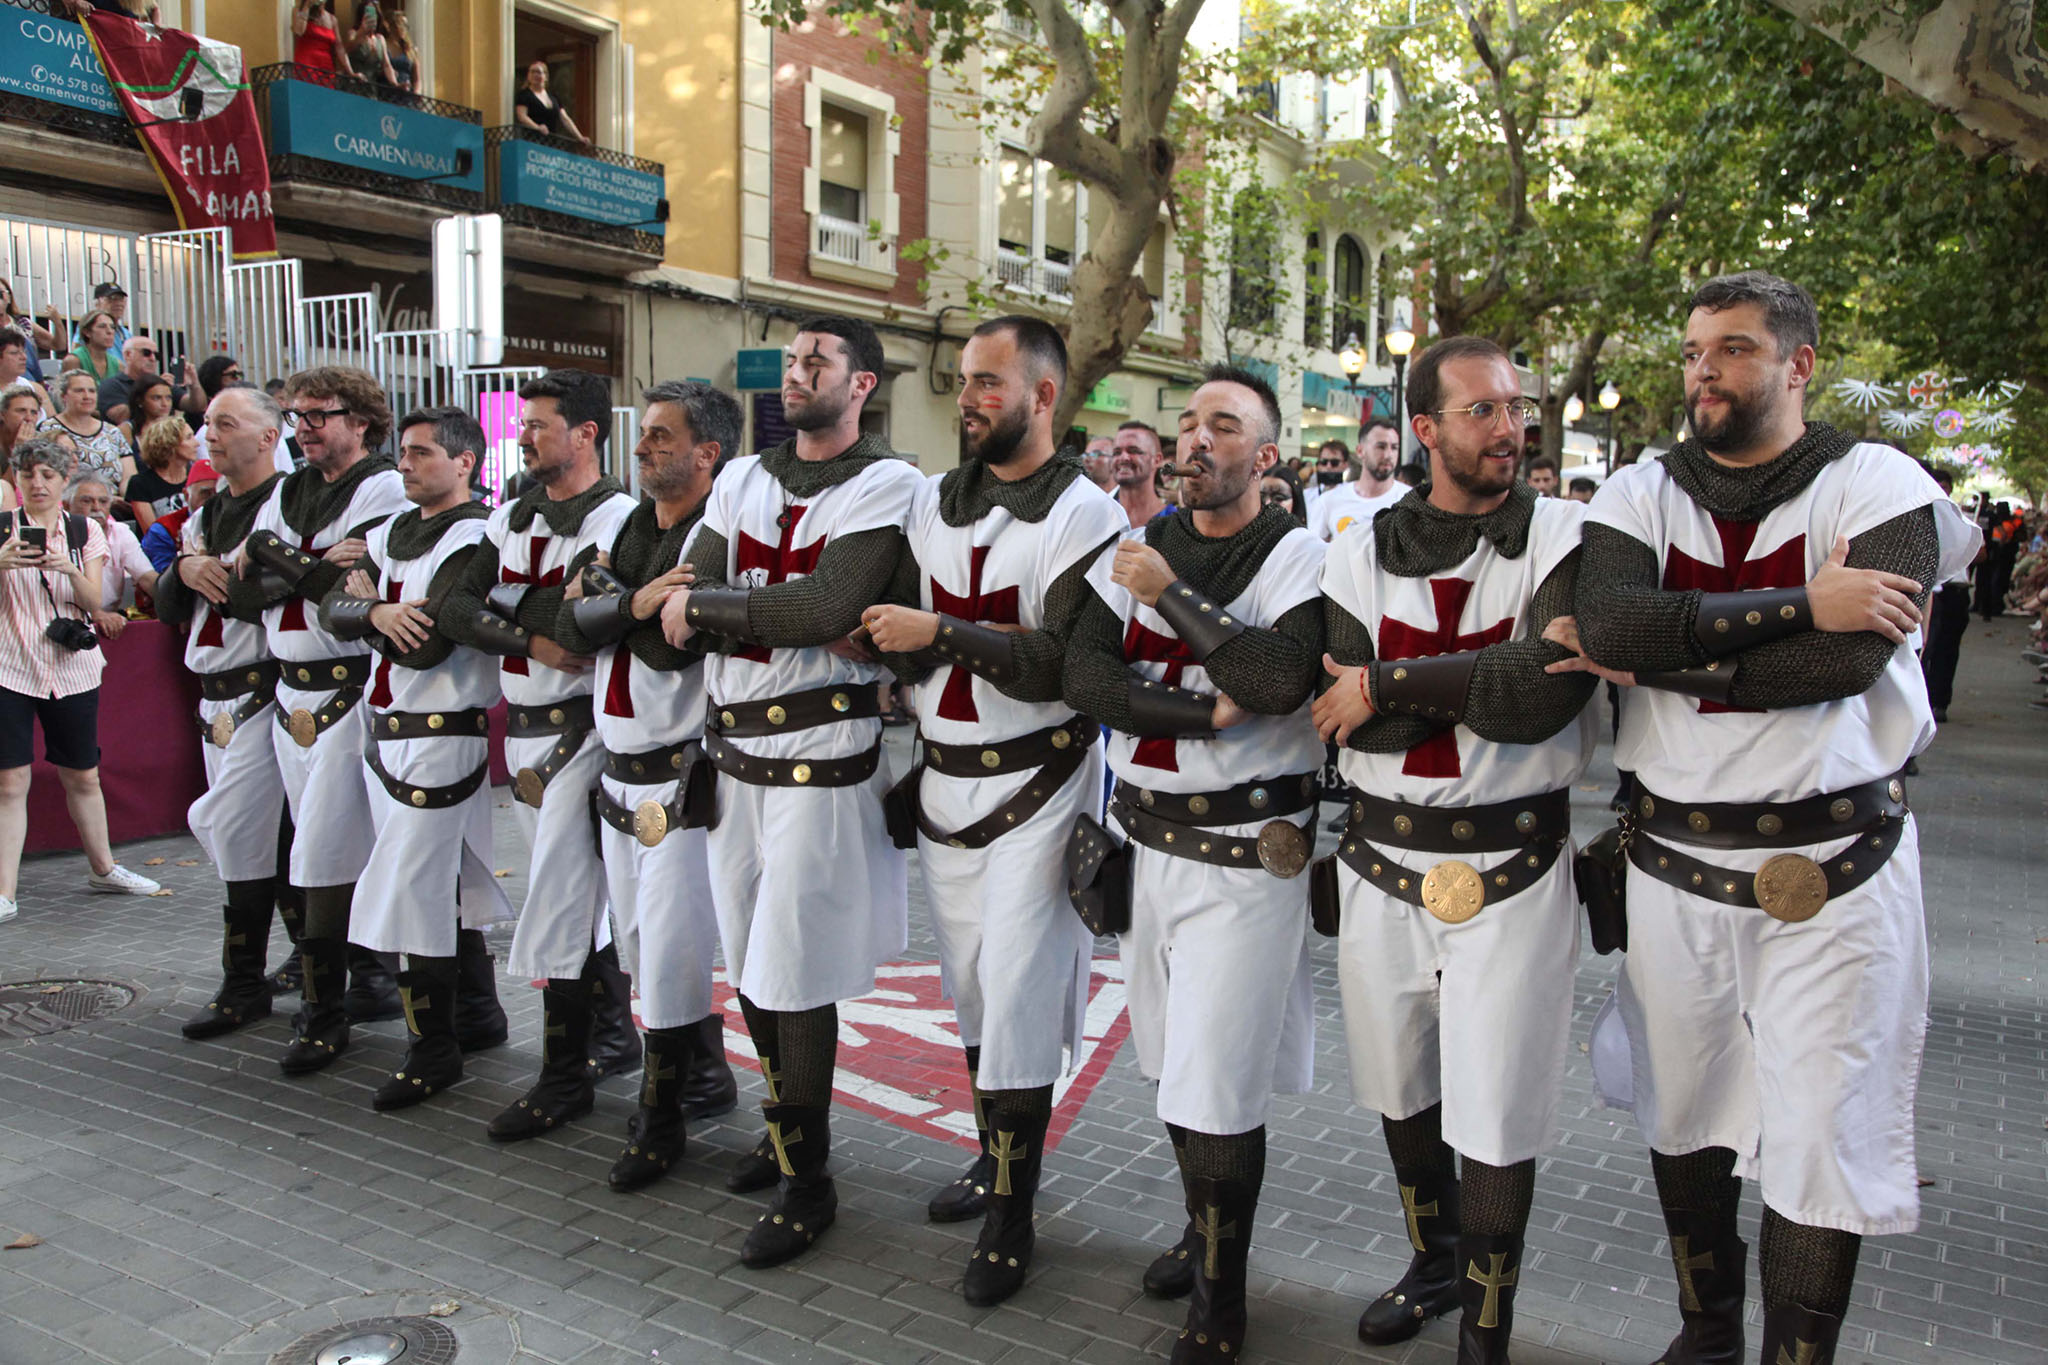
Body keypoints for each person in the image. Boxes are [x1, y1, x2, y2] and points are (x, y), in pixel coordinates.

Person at [1568, 271, 1979, 1364]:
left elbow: (1845, 659)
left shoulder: (1878, 483)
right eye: (1695, 349)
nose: (1704, 369)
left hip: (1832, 868)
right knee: (1684, 1114)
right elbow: (1606, 616)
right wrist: (1798, 604)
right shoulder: (1635, 494)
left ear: (1796, 365)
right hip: (1671, 865)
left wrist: (1669, 654)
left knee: (1818, 1140)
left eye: (1734, 349)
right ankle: (1704, 1336)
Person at [1312, 339, 1593, 1362]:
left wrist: (1386, 683)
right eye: (1479, 411)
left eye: (1515, 409)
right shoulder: (1353, 546)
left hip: (1512, 869)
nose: (1508, 429)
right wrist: (1469, 678)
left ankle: (1487, 1320)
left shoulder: (1563, 534)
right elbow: (1340, 721)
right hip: (1379, 862)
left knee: (1497, 1105)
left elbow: (1542, 694)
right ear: (1422, 428)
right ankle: (1431, 1262)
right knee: (1399, 1089)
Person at [1063, 364, 1326, 1363]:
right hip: (1146, 842)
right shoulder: (1136, 547)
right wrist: (1184, 709)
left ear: (1264, 457)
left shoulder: (1296, 557)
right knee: (1172, 1068)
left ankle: (1221, 1297)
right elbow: (1082, 671)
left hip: (1243, 857)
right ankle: (1197, 1227)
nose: (1195, 441)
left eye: (1223, 425)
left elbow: (1270, 677)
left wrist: (1167, 599)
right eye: (1186, 424)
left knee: (1215, 1081)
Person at [860, 316, 1125, 1305]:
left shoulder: (1085, 514)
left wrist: (940, 631)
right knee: (970, 989)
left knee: (1014, 995)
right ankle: (991, 1160)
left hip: (1039, 788)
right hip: (942, 783)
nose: (967, 397)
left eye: (985, 382)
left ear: (1042, 395)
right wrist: (887, 646)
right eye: (964, 381)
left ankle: (1014, 1215)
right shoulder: (934, 504)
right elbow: (891, 623)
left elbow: (1063, 661)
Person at [658, 316, 920, 1268]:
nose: (798, 372)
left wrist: (719, 608)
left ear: (861, 386)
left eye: (820, 361)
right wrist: (742, 607)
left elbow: (823, 607)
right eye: (793, 359)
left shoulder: (891, 482)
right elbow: (730, 595)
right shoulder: (743, 475)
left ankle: (811, 1185)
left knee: (795, 971)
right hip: (733, 757)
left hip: (821, 758)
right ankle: (784, 1141)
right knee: (751, 967)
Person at [550, 381, 744, 1188]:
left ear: (707, 452)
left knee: (668, 952)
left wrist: (606, 603)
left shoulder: (714, 535)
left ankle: (660, 1116)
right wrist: (630, 600)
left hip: (680, 777)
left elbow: (671, 648)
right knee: (639, 944)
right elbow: (566, 624)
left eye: (663, 437)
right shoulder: (634, 525)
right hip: (618, 775)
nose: (644, 447)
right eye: (646, 435)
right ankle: (702, 1077)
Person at [440, 369, 641, 1141]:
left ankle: (565, 1075)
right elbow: (455, 605)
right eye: (522, 424)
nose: (522, 435)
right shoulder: (514, 516)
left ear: (587, 433)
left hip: (582, 728)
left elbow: (583, 617)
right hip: (524, 726)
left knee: (561, 900)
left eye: (538, 424)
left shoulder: (619, 517)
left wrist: (514, 606)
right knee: (573, 904)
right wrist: (529, 634)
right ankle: (616, 1038)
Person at [315, 405, 513, 1111]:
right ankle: (479, 1014)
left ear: (464, 461)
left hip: (443, 724)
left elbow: (429, 641)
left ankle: (433, 1046)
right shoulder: (390, 529)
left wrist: (372, 605)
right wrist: (374, 613)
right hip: (390, 721)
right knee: (441, 877)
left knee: (412, 884)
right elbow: (328, 606)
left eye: (422, 452)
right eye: (402, 451)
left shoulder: (477, 533)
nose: (404, 463)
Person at [241, 367, 411, 1074]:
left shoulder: (382, 488)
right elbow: (250, 582)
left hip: (345, 686)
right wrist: (307, 560)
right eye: (297, 416)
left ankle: (325, 1013)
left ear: (362, 420)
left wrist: (284, 558)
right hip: (288, 693)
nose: (304, 426)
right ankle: (355, 986)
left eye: (320, 414)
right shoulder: (288, 488)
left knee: (323, 853)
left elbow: (352, 584)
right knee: (310, 847)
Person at [153, 389, 295, 1032]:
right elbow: (171, 602)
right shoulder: (209, 514)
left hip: (265, 691)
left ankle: (245, 981)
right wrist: (183, 571)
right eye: (207, 423)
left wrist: (227, 574)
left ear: (268, 437)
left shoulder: (287, 505)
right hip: (215, 697)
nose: (208, 434)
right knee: (268, 837)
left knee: (241, 832)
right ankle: (310, 969)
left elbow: (289, 591)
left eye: (225, 424)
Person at [0, 435, 160, 925]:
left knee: (83, 773)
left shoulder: (82, 529)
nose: (38, 484)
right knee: (10, 780)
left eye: (48, 476)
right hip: (10, 663)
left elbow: (96, 602)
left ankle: (104, 868)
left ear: (64, 481)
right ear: (17, 481)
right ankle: (4, 892)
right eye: (29, 475)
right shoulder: (2, 528)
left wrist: (66, 568)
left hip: (72, 666)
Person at [1918, 469, 1974, 724]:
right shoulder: (1915, 512)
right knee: (1923, 653)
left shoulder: (1956, 516)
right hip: (1933, 592)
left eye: (1946, 486)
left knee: (1946, 651)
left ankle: (1939, 700)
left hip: (1956, 592)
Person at [66, 472, 155, 628]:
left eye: (103, 501)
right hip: (65, 618)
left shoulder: (120, 532)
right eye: (86, 501)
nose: (96, 508)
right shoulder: (57, 534)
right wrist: (96, 614)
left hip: (110, 617)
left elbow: (147, 578)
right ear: (67, 505)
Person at [1310, 418, 1405, 541]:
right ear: (1360, 451)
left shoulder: (1410, 501)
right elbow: (1315, 553)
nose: (1388, 455)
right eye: (1381, 447)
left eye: (1394, 447)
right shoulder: (1329, 501)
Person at [41, 371, 131, 492]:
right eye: (79, 391)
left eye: (92, 391)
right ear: (63, 396)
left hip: (115, 504)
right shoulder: (48, 429)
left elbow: (128, 476)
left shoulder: (112, 431)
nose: (87, 396)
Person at [139, 457, 215, 573]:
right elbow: (162, 581)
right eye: (206, 493)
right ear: (186, 495)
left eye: (220, 493)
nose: (214, 500)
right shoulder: (163, 529)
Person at [126, 414, 194, 533]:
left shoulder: (196, 477)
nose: (197, 443)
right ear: (169, 444)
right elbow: (152, 533)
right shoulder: (140, 484)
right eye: (189, 438)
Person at [515, 59, 591, 145]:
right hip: (531, 141)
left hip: (551, 143)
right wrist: (537, 127)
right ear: (528, 76)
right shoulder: (524, 95)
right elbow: (522, 116)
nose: (535, 75)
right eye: (532, 72)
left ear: (545, 76)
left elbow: (565, 119)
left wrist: (580, 137)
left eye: (539, 72)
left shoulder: (553, 98)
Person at [1110, 420, 1168, 529]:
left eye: (1133, 451)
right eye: (1117, 452)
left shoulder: (1174, 523)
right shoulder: (1100, 516)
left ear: (1157, 460)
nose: (1123, 458)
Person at [0, 281, 56, 386]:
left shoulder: (22, 333)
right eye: (14, 353)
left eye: (0, 294)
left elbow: (58, 345)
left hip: (28, 389)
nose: (22, 356)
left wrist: (57, 323)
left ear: (9, 297)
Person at [344, 3, 400, 88]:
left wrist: (395, 84)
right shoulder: (353, 34)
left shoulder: (380, 39)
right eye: (368, 13)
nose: (372, 17)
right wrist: (361, 31)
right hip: (354, 86)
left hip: (372, 88)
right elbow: (347, 50)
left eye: (374, 14)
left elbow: (386, 65)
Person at [69, 283, 130, 356]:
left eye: (121, 299)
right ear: (97, 303)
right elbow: (76, 354)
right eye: (112, 298)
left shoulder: (126, 333)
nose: (119, 303)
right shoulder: (90, 327)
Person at [292, 0, 347, 81]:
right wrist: (307, 6)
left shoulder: (332, 19)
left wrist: (350, 71)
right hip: (306, 64)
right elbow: (299, 31)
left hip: (326, 67)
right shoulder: (299, 10)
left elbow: (339, 47)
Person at [0, 327, 50, 415]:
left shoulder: (36, 388)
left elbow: (52, 424)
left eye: (24, 352)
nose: (24, 357)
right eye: (14, 353)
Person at [1302, 437, 1353, 518]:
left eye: (1334, 463)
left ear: (1345, 465)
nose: (1328, 466)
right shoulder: (1306, 495)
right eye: (1324, 462)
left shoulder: (1351, 495)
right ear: (1318, 465)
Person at [385, 12, 420, 94]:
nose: (405, 29)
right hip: (386, 92)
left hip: (406, 93)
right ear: (393, 26)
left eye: (406, 26)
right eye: (403, 25)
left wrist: (416, 92)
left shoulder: (412, 50)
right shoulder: (384, 45)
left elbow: (417, 79)